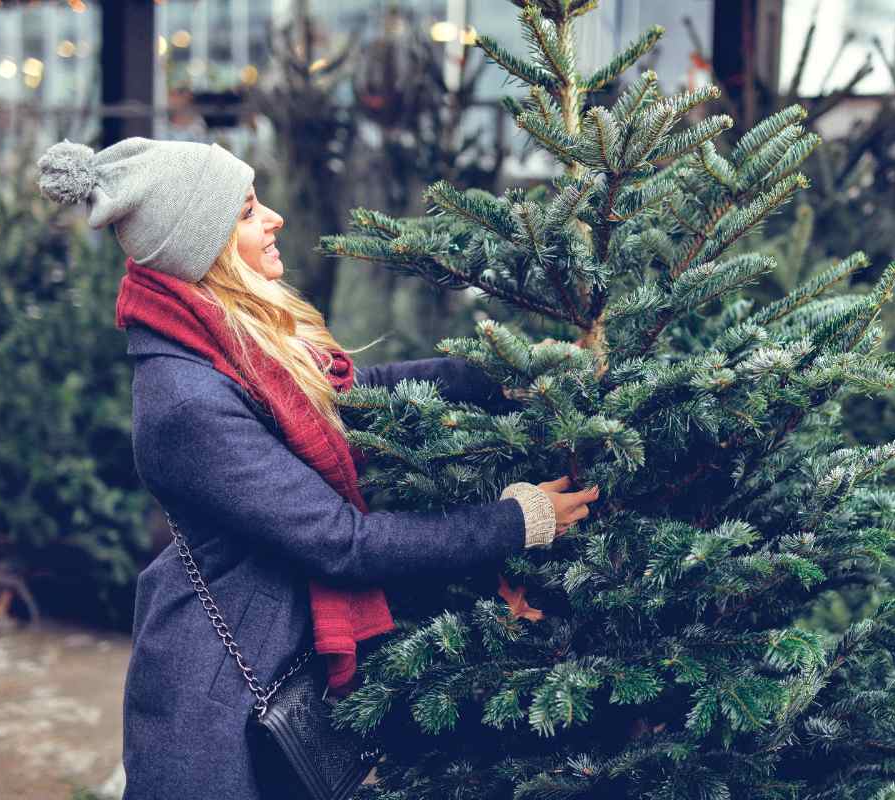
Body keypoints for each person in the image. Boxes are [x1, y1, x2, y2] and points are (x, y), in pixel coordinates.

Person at [36, 137, 599, 799]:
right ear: (204, 245)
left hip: (274, 659)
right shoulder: (187, 402)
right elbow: (344, 545)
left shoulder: (233, 343)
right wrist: (517, 521)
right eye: (247, 212)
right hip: (220, 706)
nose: (273, 218)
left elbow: (355, 391)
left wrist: (502, 375)